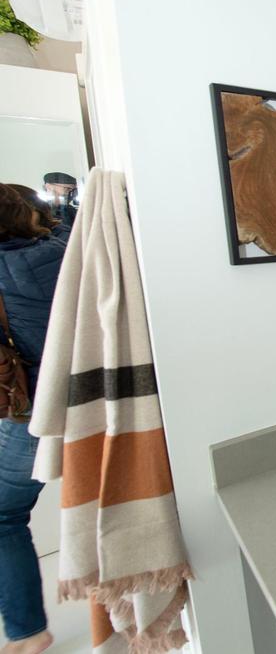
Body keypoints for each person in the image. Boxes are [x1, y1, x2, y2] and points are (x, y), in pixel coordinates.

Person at [0, 183, 66, 654]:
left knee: (4, 517)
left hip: (34, 408)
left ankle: (28, 632)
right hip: (97, 396)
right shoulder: (69, 248)